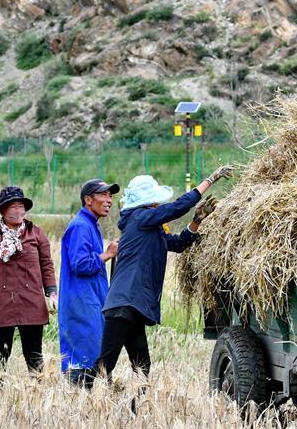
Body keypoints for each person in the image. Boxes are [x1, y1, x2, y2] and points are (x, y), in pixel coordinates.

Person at [94, 166, 230, 382]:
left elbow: (176, 244)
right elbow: (176, 208)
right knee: (105, 364)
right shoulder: (140, 217)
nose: (158, 203)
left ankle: (136, 409)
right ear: (147, 201)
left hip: (134, 306)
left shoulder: (150, 226)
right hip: (124, 303)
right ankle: (80, 394)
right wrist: (209, 181)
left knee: (142, 366)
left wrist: (196, 220)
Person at [0, 186, 57, 388]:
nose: (18, 211)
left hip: (31, 303)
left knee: (34, 354)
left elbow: (47, 265)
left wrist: (52, 294)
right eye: (12, 207)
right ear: (2, 211)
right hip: (2, 304)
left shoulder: (36, 234)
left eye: (21, 206)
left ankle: (40, 398)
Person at [58, 179, 120, 387]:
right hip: (81, 304)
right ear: (88, 200)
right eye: (103, 195)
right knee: (84, 355)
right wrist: (108, 254)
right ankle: (78, 406)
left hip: (91, 300)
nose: (109, 200)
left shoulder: (90, 224)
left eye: (110, 195)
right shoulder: (80, 226)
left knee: (95, 352)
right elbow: (80, 264)